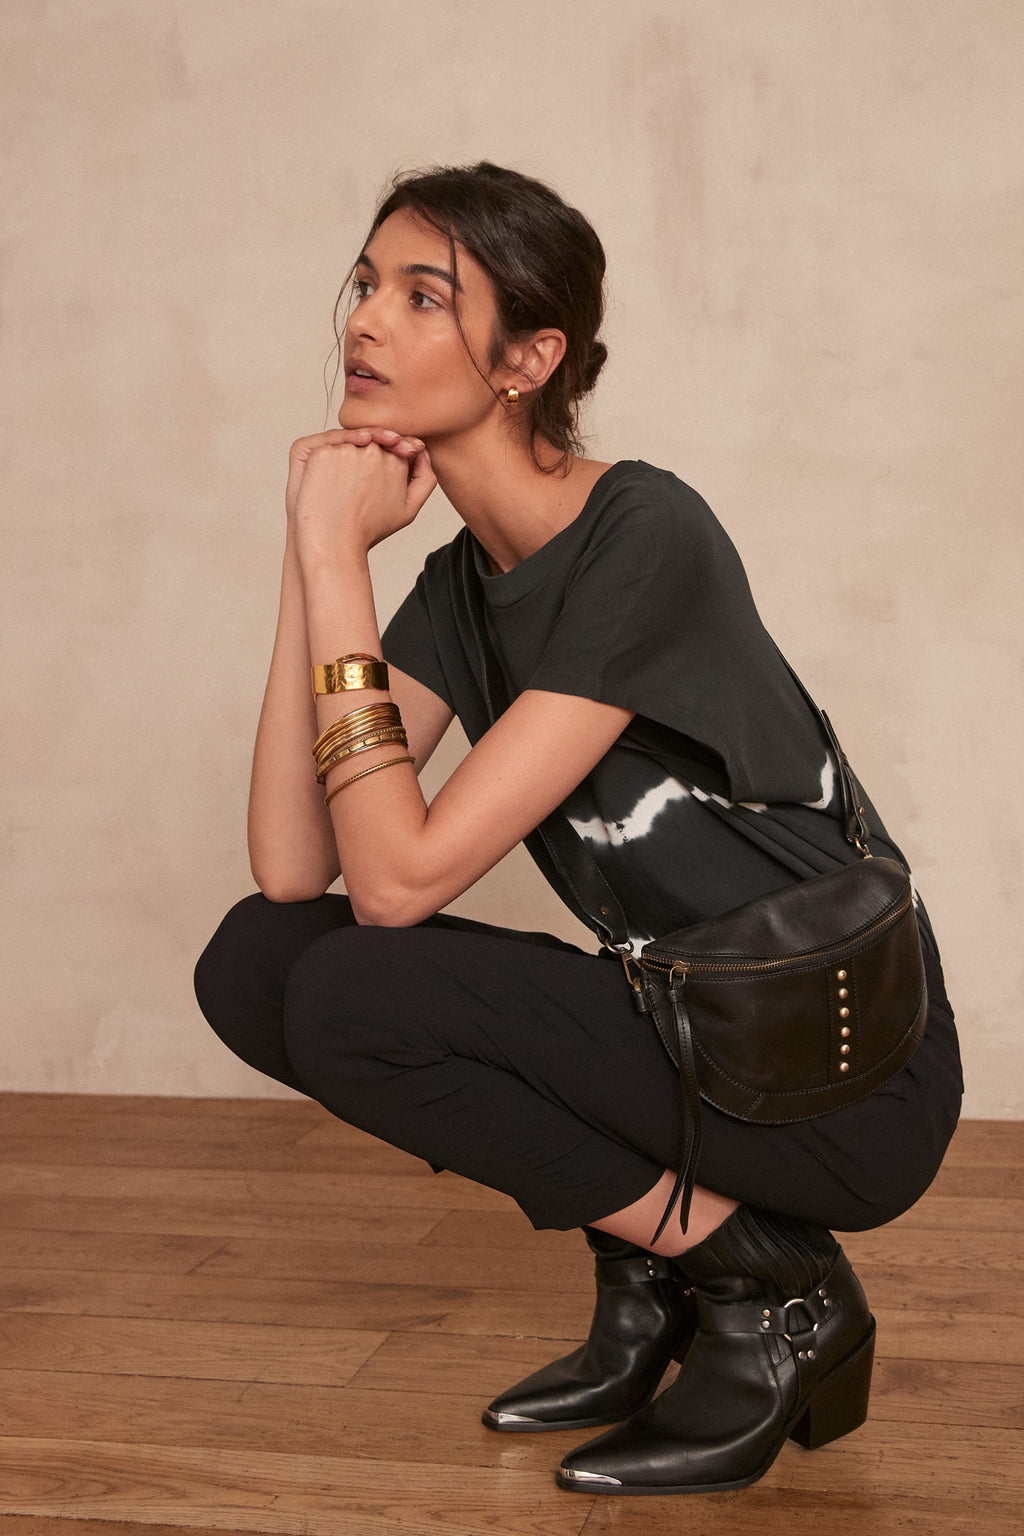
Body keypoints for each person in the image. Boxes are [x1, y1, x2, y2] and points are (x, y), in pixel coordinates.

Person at [194, 161, 963, 1496]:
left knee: (357, 989)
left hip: (834, 1067)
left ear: (527, 359)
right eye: (366, 284)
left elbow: (395, 887)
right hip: (688, 1029)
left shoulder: (643, 535)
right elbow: (293, 862)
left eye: (422, 296)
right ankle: (663, 1268)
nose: (364, 319)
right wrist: (314, 563)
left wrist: (334, 564)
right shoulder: (463, 588)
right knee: (257, 961)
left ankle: (768, 1289)